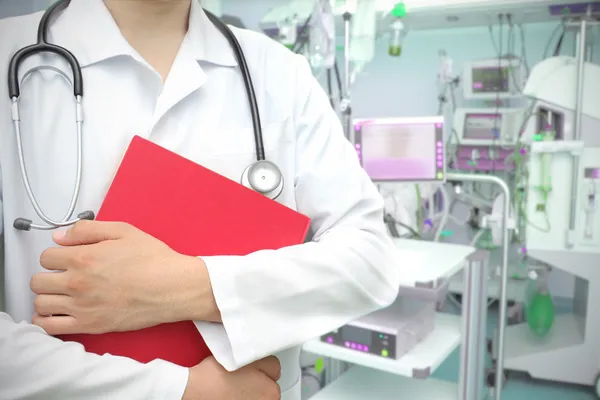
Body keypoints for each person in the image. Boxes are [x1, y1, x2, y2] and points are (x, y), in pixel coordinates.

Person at [0, 0, 399, 399]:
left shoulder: (278, 73)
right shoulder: (7, 50)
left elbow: (370, 263)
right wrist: (181, 391)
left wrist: (182, 287)